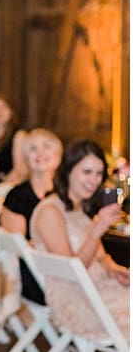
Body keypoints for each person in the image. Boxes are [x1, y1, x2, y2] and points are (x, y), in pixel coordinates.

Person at [30, 139, 129, 341]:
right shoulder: (50, 211)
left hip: (98, 288)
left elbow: (100, 256)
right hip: (78, 300)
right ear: (68, 171)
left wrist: (114, 269)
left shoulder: (79, 209)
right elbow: (71, 271)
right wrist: (97, 230)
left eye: (98, 173)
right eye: (87, 172)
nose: (93, 180)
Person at [0, 128, 63, 304]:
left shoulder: (66, 193)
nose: (40, 153)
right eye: (33, 149)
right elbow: (18, 249)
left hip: (65, 267)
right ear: (26, 158)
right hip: (35, 274)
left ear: (58, 155)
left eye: (47, 147)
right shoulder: (17, 197)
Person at [0, 94, 27, 182]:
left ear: (11, 110)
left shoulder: (19, 135)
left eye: (2, 107)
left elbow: (19, 170)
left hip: (11, 184)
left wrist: (0, 186)